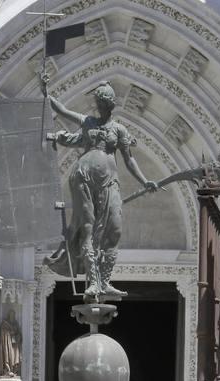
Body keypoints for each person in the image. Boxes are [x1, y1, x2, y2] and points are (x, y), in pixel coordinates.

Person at [44, 81, 157, 297]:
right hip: (83, 177)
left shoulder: (119, 129)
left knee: (114, 229)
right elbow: (63, 110)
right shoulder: (88, 122)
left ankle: (104, 282)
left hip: (109, 181)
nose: (101, 106)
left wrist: (145, 181)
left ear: (112, 105)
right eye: (99, 102)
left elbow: (129, 160)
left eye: (105, 102)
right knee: (88, 227)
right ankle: (94, 283)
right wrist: (45, 92)